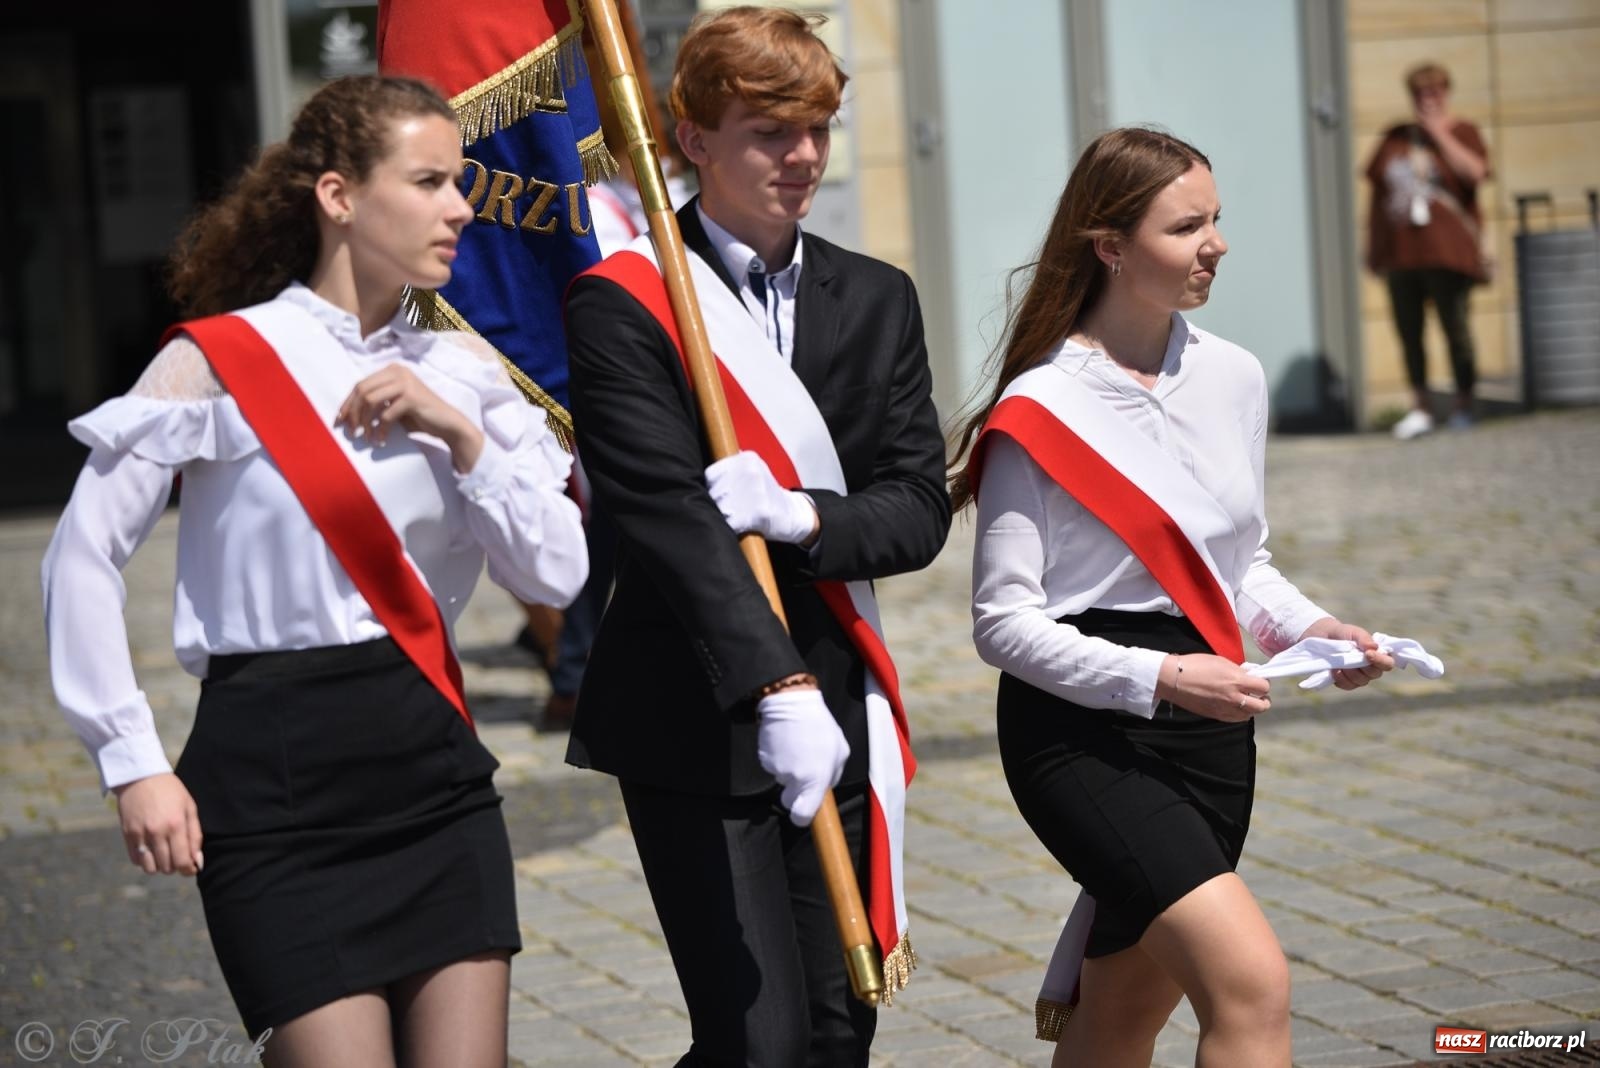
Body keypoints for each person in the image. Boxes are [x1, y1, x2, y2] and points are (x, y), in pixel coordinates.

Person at [40, 75, 588, 1065]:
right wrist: (131, 762)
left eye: (458, 182)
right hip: (272, 783)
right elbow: (81, 553)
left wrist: (461, 434)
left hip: (431, 771)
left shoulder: (464, 374)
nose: (461, 206)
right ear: (338, 196)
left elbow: (554, 574)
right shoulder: (221, 357)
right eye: (427, 181)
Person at [951, 127, 1396, 1068]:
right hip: (1083, 732)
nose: (1217, 243)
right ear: (1110, 247)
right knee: (1250, 984)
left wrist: (1317, 631)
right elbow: (1002, 623)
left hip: (1209, 725)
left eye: (1217, 220)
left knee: (1119, 1017)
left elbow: (1243, 565)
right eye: (1186, 225)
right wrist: (1161, 676)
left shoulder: (1234, 375)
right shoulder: (1041, 408)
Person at [562, 7, 950, 1065]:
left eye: (819, 127)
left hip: (842, 693)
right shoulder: (627, 300)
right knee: (755, 1044)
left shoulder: (876, 297)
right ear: (691, 140)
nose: (804, 156)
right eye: (770, 132)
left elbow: (918, 504)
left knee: (836, 1030)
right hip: (695, 710)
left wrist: (805, 515)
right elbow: (661, 514)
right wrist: (773, 690)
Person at [1364, 61, 1492, 440]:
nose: (1427, 99)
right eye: (1420, 93)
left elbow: (1476, 173)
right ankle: (1420, 405)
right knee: (1409, 331)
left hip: (1448, 252)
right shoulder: (1395, 137)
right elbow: (1377, 196)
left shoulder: (1464, 131)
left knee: (1456, 327)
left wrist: (1439, 134)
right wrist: (1373, 248)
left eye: (1434, 92)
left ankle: (1464, 403)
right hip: (1402, 252)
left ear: (1446, 93)